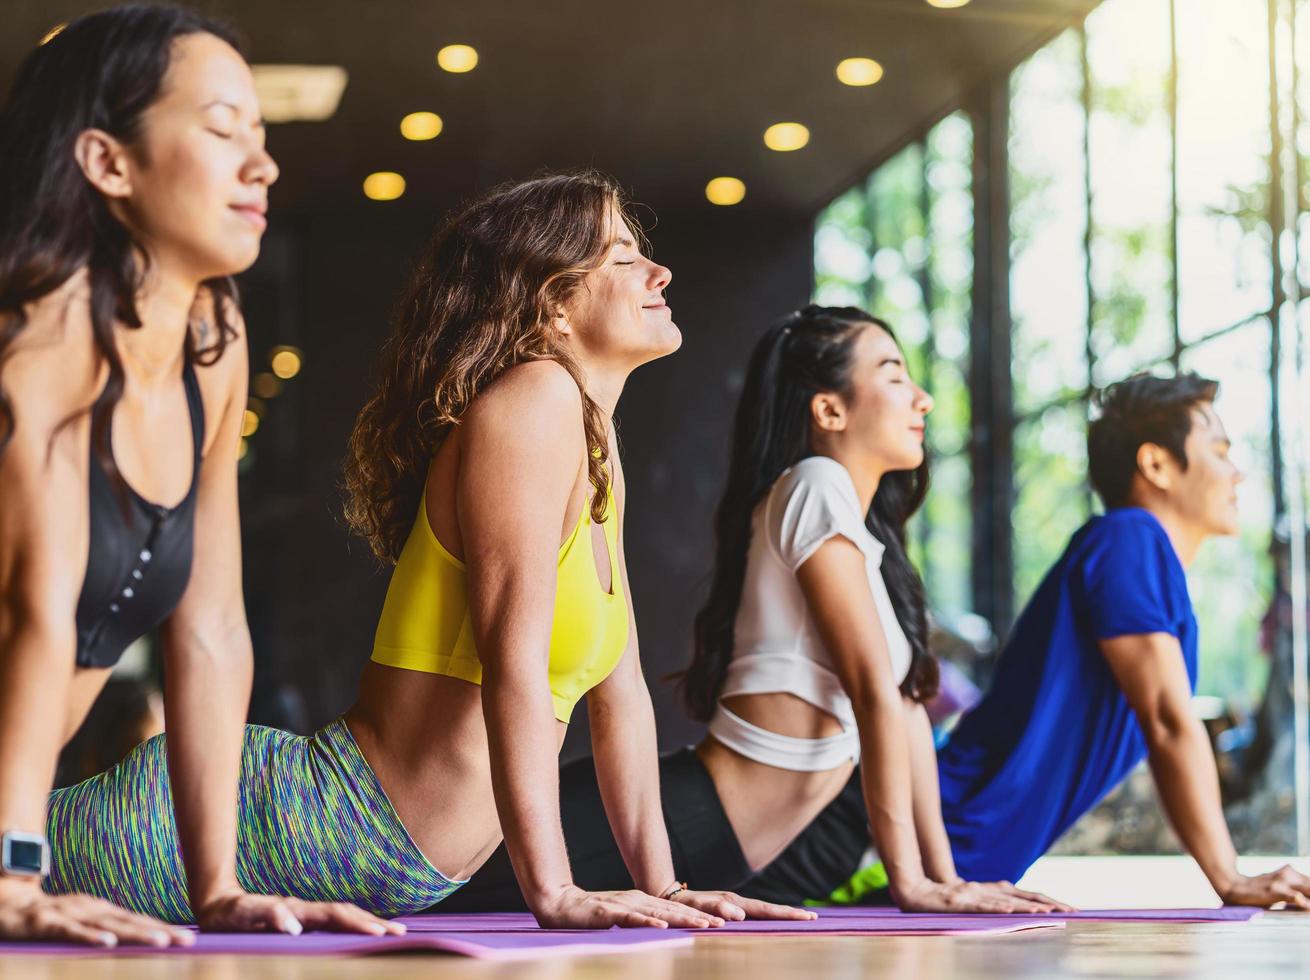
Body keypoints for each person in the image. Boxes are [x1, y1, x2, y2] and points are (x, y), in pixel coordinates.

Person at [0, 172, 809, 931]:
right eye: (623, 258)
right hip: (304, 820)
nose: (659, 274)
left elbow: (622, 692)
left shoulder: (594, 442)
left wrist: (666, 884)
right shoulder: (533, 404)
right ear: (553, 308)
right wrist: (548, 887)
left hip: (357, 847)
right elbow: (513, 665)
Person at [0, 4, 398, 944]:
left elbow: (213, 630)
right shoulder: (31, 328)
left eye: (261, 135)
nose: (261, 164)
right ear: (108, 162)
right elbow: (34, 608)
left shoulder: (212, 341)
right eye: (222, 130)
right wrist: (11, 878)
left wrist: (216, 886)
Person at [441, 306, 1065, 914]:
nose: (922, 398)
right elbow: (873, 694)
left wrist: (943, 878)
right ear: (829, 408)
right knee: (433, 883)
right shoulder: (814, 485)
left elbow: (901, 708)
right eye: (895, 375)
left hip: (722, 839)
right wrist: (914, 884)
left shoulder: (854, 527)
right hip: (688, 819)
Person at [746, 372, 1310, 910]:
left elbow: (1164, 723)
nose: (1238, 473)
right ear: (1157, 463)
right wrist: (1230, 878)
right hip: (890, 841)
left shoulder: (1144, 563)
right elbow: (1166, 719)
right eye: (1220, 450)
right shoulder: (1129, 538)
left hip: (943, 843)